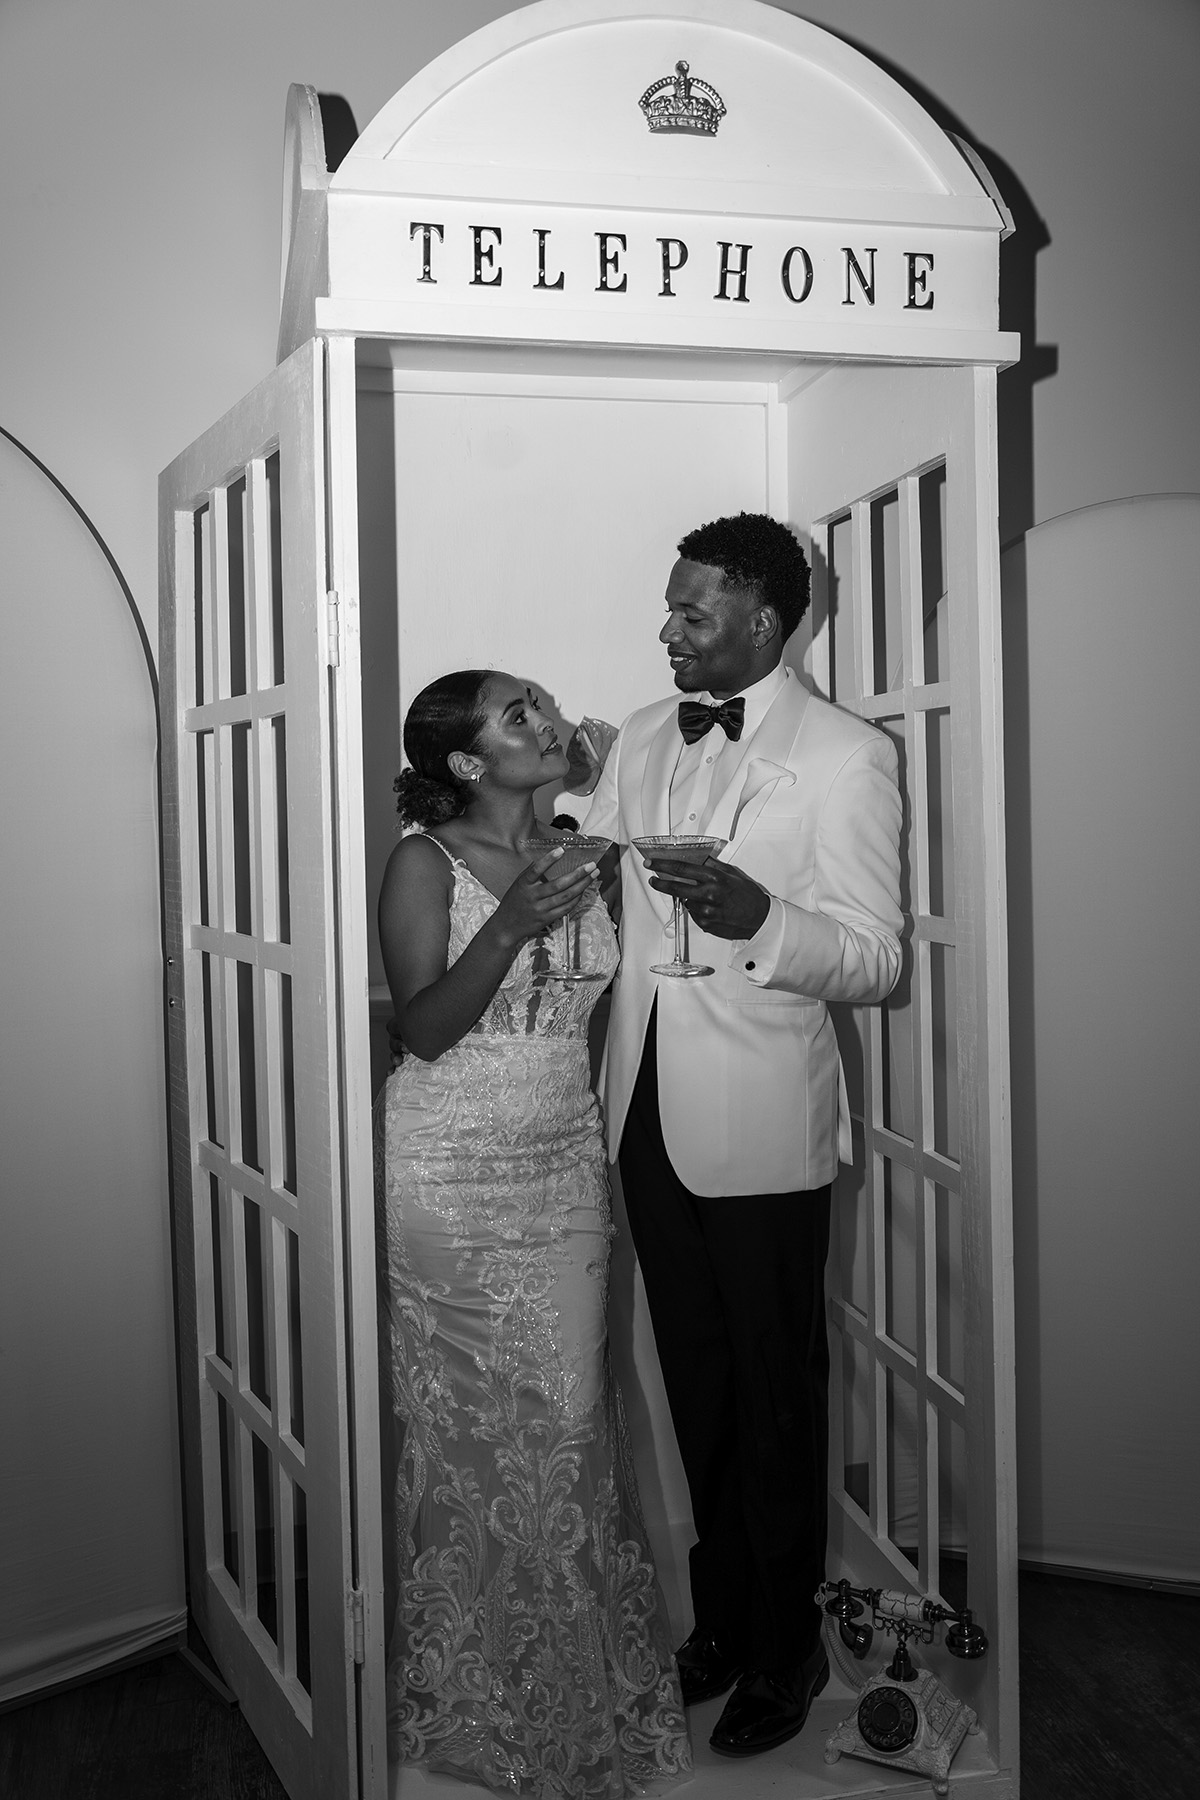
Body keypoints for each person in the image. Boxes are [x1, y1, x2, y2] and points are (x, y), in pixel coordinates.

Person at [566, 513, 903, 1758]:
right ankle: (719, 1620)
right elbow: (580, 858)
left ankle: (786, 1645)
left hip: (761, 1124)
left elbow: (873, 960)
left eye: (690, 612)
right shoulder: (651, 731)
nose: (666, 629)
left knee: (774, 1393)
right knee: (693, 1383)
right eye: (669, 607)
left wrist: (763, 916)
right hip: (641, 1108)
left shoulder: (847, 756)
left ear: (765, 620)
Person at [375, 668, 691, 1798]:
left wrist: (598, 792)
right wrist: (507, 925)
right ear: (467, 762)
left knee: (570, 1424)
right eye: (520, 715)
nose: (548, 721)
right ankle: (473, 1699)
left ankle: (573, 1696)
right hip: (447, 1172)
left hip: (563, 1164)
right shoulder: (424, 862)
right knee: (467, 1436)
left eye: (545, 706)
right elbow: (422, 1028)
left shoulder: (586, 850)